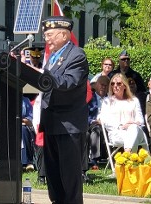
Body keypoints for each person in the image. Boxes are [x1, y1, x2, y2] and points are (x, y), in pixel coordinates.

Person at [22, 16, 89, 204]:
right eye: (45, 35)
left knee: (69, 178)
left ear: (64, 34)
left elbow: (68, 82)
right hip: (51, 123)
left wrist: (39, 73)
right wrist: (28, 71)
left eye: (50, 34)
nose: (47, 39)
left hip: (69, 126)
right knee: (54, 176)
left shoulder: (77, 55)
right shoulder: (52, 58)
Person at [99, 73, 148, 153]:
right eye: (112, 83)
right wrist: (120, 126)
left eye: (118, 83)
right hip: (117, 133)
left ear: (125, 86)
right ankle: (131, 158)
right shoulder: (107, 101)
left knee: (133, 128)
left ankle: (127, 155)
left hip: (136, 132)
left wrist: (132, 124)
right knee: (132, 135)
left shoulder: (134, 100)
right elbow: (104, 120)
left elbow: (141, 121)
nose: (115, 86)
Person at [86, 75, 110, 170]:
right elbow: (85, 114)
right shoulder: (90, 98)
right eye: (101, 84)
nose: (103, 87)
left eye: (105, 85)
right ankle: (94, 160)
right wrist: (93, 121)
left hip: (108, 124)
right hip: (93, 123)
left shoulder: (111, 100)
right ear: (96, 85)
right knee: (96, 130)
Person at [21, 96, 35, 171]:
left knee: (23, 130)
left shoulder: (26, 100)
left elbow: (30, 119)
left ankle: (27, 162)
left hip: (24, 126)